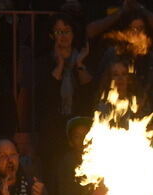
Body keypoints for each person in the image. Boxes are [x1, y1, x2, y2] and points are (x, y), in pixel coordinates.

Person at [34, 13, 93, 182]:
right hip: (53, 129)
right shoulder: (43, 61)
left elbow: (88, 92)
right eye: (58, 32)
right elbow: (45, 96)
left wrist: (80, 64)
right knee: (53, 175)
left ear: (74, 34)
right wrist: (59, 65)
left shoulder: (82, 58)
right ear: (52, 35)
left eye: (66, 31)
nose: (63, 36)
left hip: (78, 128)